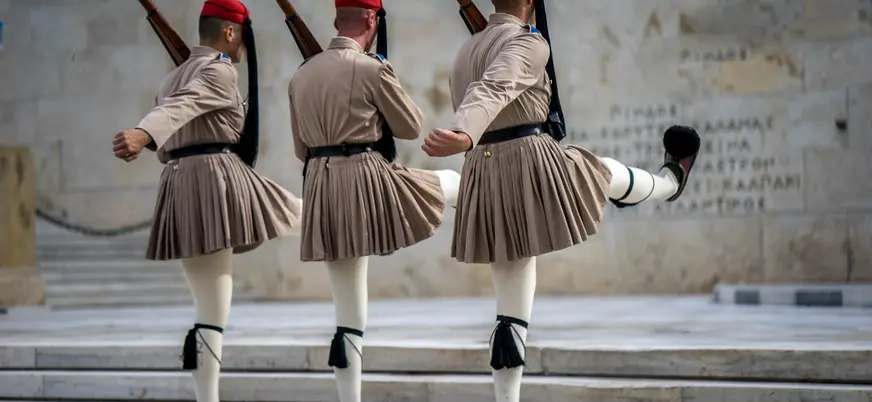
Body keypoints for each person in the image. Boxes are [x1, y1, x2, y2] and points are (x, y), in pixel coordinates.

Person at [423, 0, 701, 400]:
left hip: (484, 167)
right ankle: (669, 182)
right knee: (599, 169)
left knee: (510, 304)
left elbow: (482, 90)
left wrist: (468, 136)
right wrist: (464, 132)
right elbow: (495, 86)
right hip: (528, 160)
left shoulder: (466, 49)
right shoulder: (529, 43)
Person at [111, 1, 303, 401]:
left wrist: (148, 137)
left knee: (209, 311)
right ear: (231, 33)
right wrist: (144, 133)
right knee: (313, 213)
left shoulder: (174, 77)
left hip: (182, 182)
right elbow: (181, 108)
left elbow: (175, 116)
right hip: (216, 180)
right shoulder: (218, 69)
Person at [287, 0, 461, 400]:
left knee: (347, 303)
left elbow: (301, 149)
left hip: (320, 182)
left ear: (336, 19)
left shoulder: (300, 76)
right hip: (366, 177)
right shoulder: (370, 68)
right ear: (372, 19)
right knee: (449, 182)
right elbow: (410, 126)